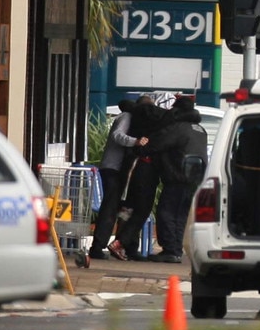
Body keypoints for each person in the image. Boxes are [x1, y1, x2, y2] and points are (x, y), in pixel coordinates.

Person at [139, 96, 208, 263]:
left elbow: (158, 143)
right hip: (195, 178)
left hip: (178, 176)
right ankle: (176, 251)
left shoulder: (178, 128)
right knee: (180, 215)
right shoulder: (200, 129)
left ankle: (170, 250)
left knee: (166, 212)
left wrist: (141, 148)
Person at [107, 93, 175, 261]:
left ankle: (128, 247)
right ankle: (120, 243)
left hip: (133, 165)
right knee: (142, 209)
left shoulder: (136, 118)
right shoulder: (159, 120)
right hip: (146, 167)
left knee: (129, 207)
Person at [89, 99, 148, 260]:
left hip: (121, 170)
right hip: (113, 168)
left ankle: (125, 246)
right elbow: (117, 135)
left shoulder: (132, 118)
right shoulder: (127, 117)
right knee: (111, 206)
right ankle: (97, 247)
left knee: (124, 208)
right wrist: (135, 141)